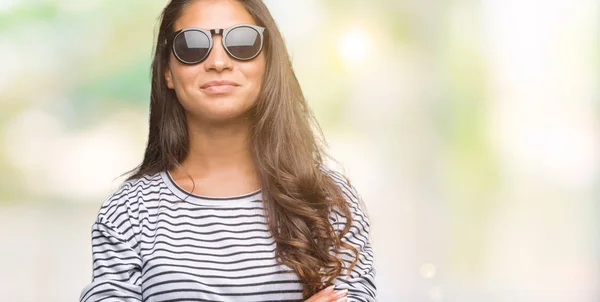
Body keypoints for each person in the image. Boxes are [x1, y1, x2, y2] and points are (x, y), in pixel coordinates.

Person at [79, 0, 376, 301]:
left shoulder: (328, 203)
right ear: (168, 71)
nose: (218, 62)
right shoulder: (129, 213)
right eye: (193, 45)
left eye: (243, 42)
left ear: (268, 63)